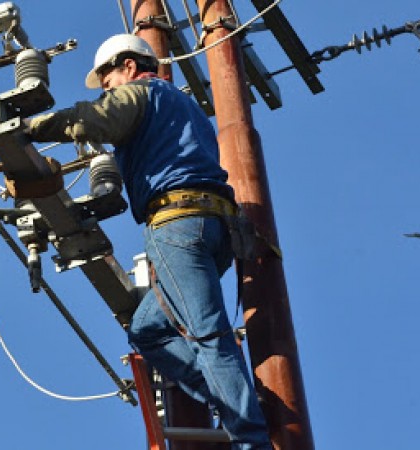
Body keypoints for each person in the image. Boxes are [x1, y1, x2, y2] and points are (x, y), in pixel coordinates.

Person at [26, 34, 271, 449]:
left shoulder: (142, 92)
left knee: (208, 335)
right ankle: (231, 399)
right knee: (147, 330)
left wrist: (30, 127)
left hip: (178, 227)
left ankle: (252, 440)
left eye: (107, 76)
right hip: (213, 230)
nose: (105, 85)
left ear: (129, 65)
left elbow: (94, 120)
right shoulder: (183, 105)